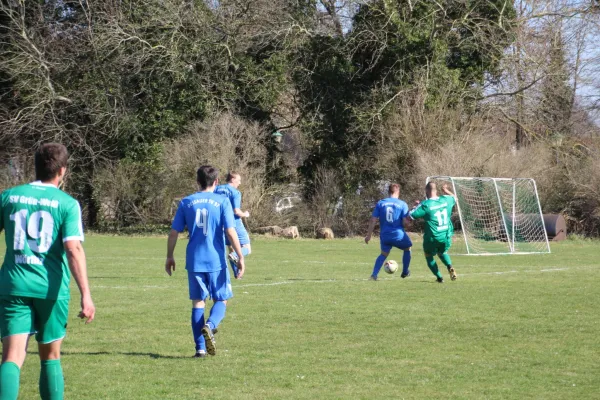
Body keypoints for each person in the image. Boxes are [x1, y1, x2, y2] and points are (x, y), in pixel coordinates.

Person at [0, 143, 95, 400]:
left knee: (11, 357)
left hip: (13, 285)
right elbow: (73, 249)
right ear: (62, 171)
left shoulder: (9, 197)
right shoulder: (67, 204)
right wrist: (86, 294)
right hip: (50, 289)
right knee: (50, 357)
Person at [165, 165, 245, 358]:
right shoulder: (222, 201)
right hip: (216, 260)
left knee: (198, 302)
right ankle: (210, 326)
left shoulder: (186, 202)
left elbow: (174, 232)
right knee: (221, 299)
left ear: (197, 181)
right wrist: (240, 256)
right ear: (216, 182)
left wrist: (169, 256)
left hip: (194, 260)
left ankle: (200, 349)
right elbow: (230, 231)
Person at [409, 181, 458, 283]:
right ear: (436, 190)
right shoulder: (446, 200)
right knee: (442, 252)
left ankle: (439, 278)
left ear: (426, 191)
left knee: (429, 256)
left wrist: (414, 206)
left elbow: (410, 216)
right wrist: (446, 190)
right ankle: (450, 266)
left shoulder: (425, 205)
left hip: (432, 237)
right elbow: (455, 198)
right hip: (446, 235)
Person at [365, 183, 412, 281]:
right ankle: (405, 272)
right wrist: (409, 222)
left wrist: (368, 235)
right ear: (398, 192)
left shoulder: (381, 203)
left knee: (383, 254)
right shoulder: (402, 204)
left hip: (385, 235)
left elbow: (373, 220)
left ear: (389, 192)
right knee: (407, 248)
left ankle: (374, 275)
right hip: (398, 234)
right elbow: (405, 223)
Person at [214, 172, 251, 278]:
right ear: (233, 179)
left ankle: (237, 274)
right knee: (247, 248)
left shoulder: (216, 189)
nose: (240, 183)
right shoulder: (235, 192)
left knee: (231, 247)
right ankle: (235, 256)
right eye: (239, 180)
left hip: (220, 223)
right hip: (234, 223)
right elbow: (236, 211)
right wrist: (245, 214)